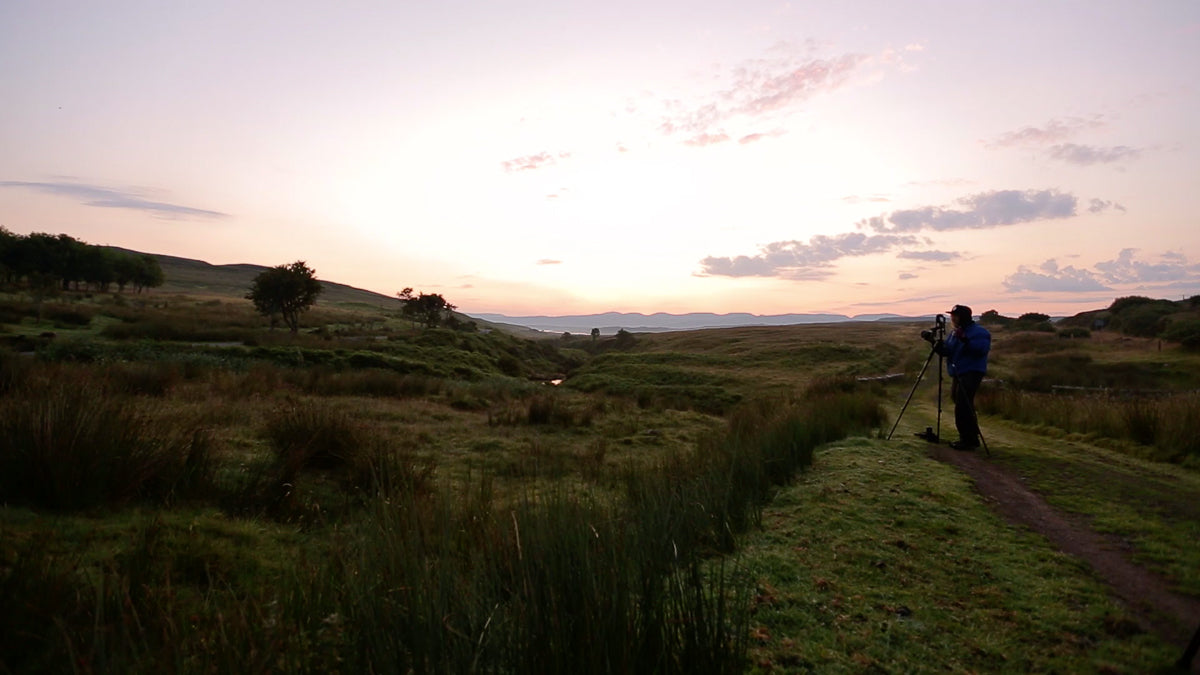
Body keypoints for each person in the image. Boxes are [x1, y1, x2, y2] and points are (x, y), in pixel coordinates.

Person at [934, 304, 991, 450]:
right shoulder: (955, 333)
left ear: (963, 317)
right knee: (960, 402)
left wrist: (965, 340)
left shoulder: (979, 332)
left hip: (971, 372)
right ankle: (970, 437)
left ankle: (968, 439)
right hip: (959, 373)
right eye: (952, 315)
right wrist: (934, 343)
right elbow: (948, 351)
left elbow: (981, 350)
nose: (952, 318)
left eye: (955, 316)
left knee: (963, 404)